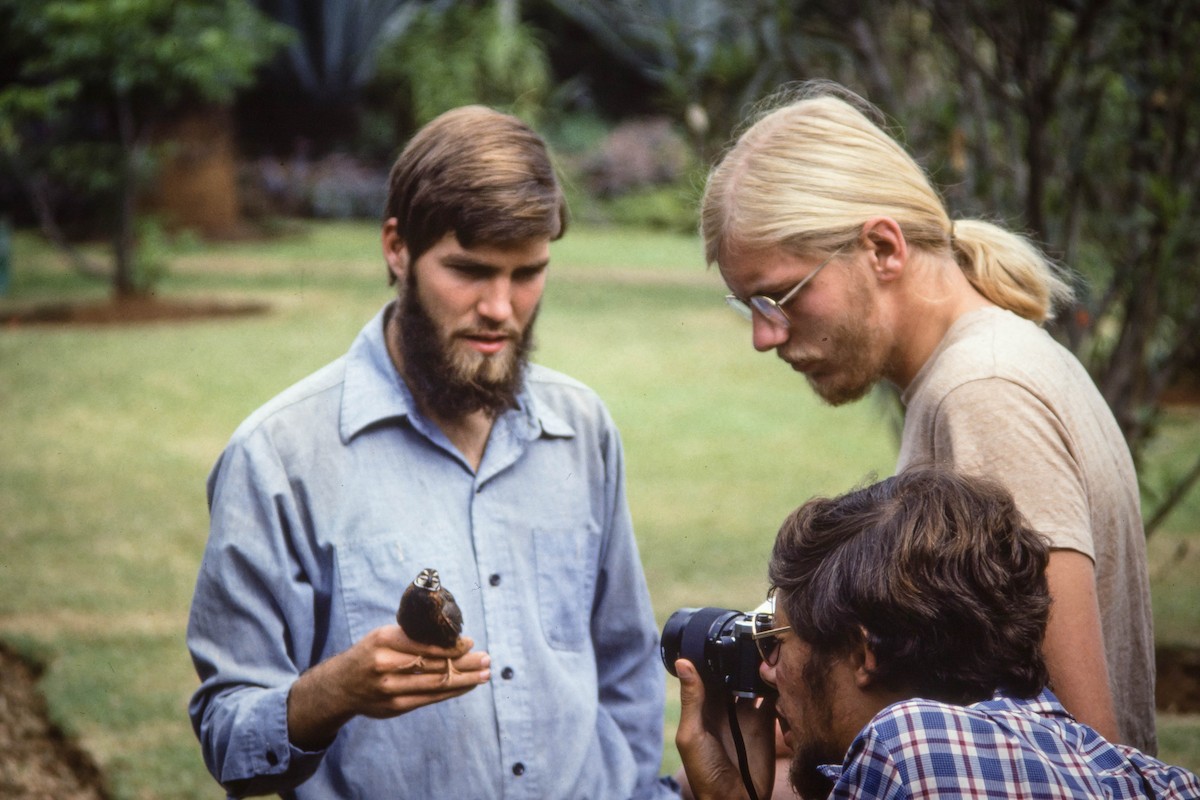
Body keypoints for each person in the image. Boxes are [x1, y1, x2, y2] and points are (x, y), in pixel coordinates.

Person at [187, 105, 676, 799]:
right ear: (396, 249)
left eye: (527, 272)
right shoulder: (278, 459)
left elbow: (626, 666)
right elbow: (228, 738)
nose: (501, 308)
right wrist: (333, 693)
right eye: (470, 271)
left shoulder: (583, 429)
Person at [699, 81, 1155, 754]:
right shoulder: (970, 370)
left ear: (883, 247)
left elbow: (1079, 753)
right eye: (752, 307)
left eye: (780, 296)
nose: (766, 337)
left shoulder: (983, 392)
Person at [675, 468, 1200, 800]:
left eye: (776, 639)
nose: (767, 670)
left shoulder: (912, 748)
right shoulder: (1105, 762)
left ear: (863, 653)